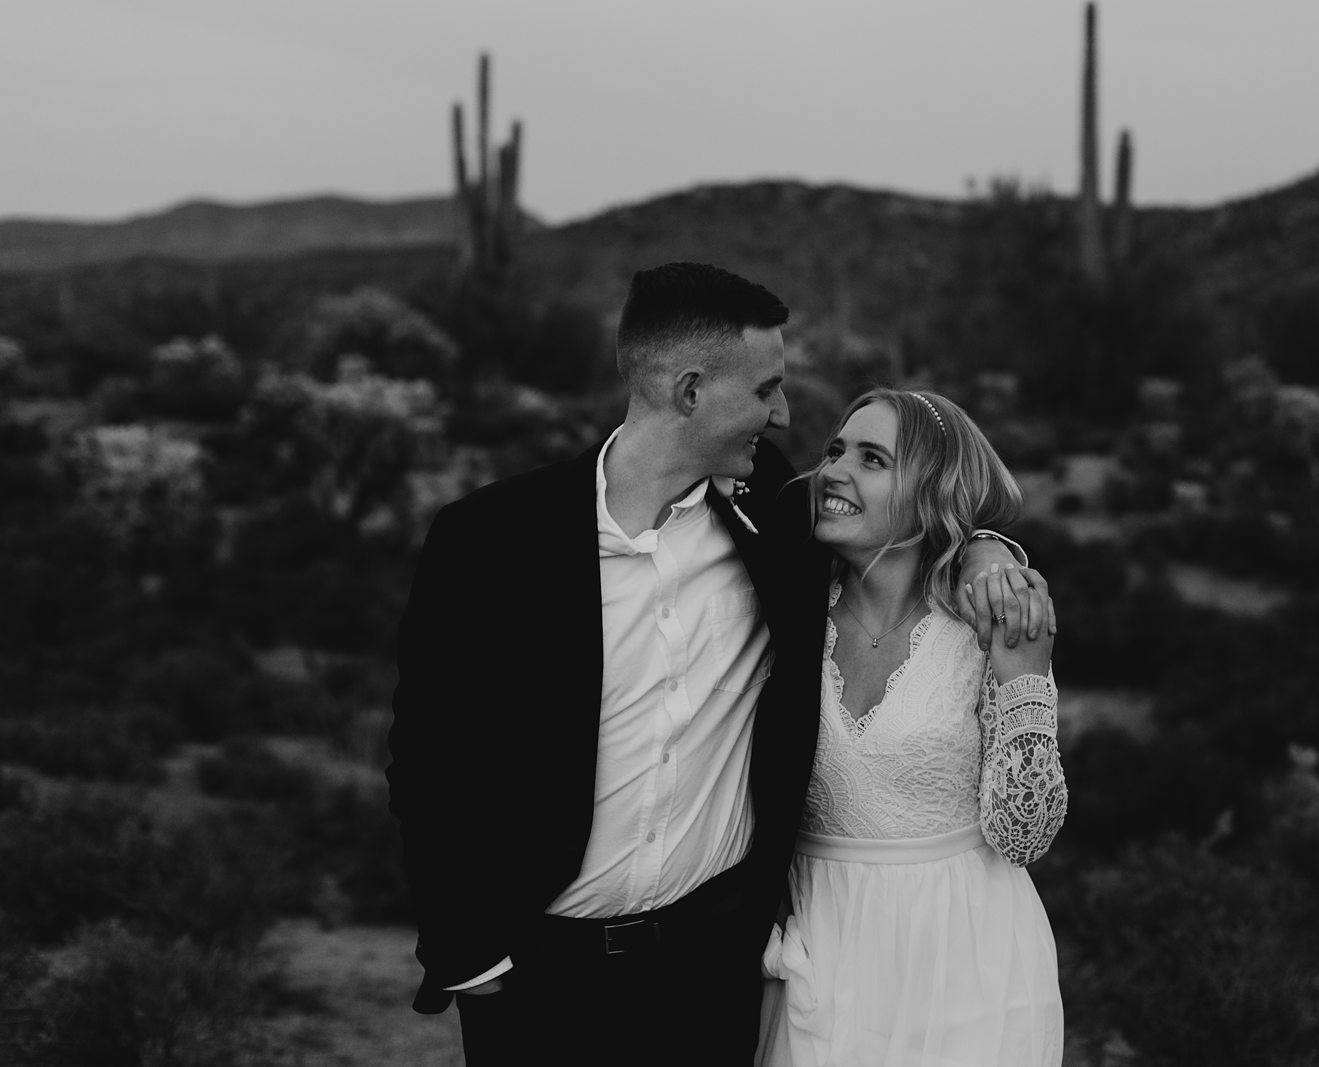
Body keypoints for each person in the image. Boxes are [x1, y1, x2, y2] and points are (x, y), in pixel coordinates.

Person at [385, 263, 1045, 1066]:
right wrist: (468, 953)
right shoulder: (487, 539)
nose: (785, 413)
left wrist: (988, 555)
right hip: (535, 971)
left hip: (712, 971)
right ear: (691, 390)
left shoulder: (776, 518)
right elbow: (426, 754)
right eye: (768, 389)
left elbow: (914, 522)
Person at [758, 388, 1068, 1067]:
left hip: (968, 958)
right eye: (835, 450)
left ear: (931, 491)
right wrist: (989, 546)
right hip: (820, 947)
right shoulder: (786, 604)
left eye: (873, 459)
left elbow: (1026, 835)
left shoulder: (985, 628)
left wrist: (1023, 676)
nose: (835, 471)